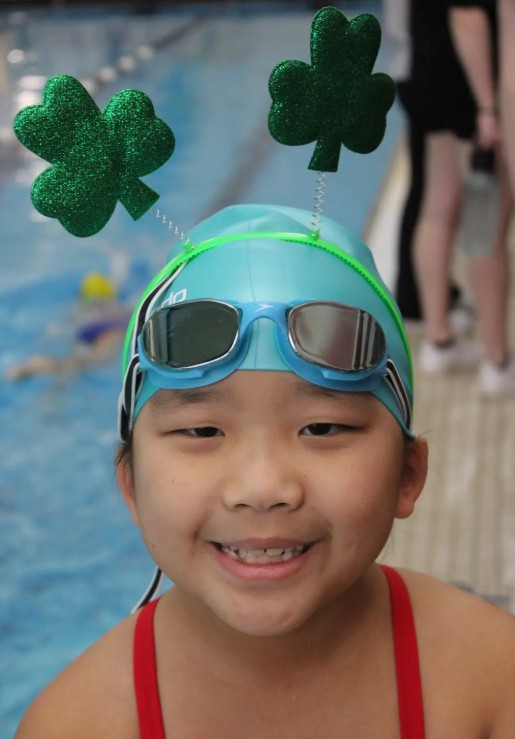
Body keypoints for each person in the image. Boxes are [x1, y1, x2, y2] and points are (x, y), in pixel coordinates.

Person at [15, 203, 515, 738]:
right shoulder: (74, 724)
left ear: (408, 475)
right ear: (131, 485)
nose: (262, 487)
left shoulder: (491, 679)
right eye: (202, 432)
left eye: (321, 428)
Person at [5, 271, 131, 381]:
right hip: (112, 332)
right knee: (91, 361)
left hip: (89, 334)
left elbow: (60, 330)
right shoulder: (119, 308)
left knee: (75, 363)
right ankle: (38, 366)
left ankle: (34, 367)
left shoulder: (81, 311)